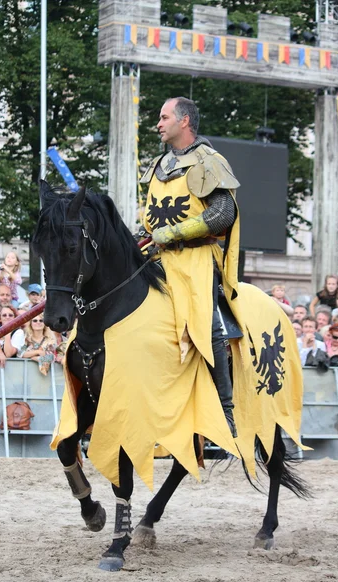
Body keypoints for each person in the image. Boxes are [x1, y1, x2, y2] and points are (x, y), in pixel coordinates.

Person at [141, 96, 241, 436]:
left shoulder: (209, 160)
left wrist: (176, 232)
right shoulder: (159, 165)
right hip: (159, 258)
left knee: (208, 327)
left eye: (164, 116)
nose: (159, 123)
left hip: (197, 259)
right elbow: (151, 217)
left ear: (184, 122)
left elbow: (223, 213)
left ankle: (226, 411)